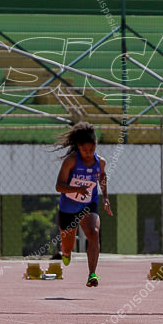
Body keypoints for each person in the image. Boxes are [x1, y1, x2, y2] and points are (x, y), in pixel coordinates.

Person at [54, 122, 112, 287]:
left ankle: (92, 274)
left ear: (95, 147)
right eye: (85, 150)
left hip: (88, 203)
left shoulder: (100, 162)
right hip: (68, 206)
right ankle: (65, 251)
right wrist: (76, 189)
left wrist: (106, 197)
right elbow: (59, 186)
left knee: (93, 232)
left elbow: (102, 177)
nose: (88, 154)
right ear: (78, 147)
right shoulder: (71, 161)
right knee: (68, 246)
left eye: (91, 150)